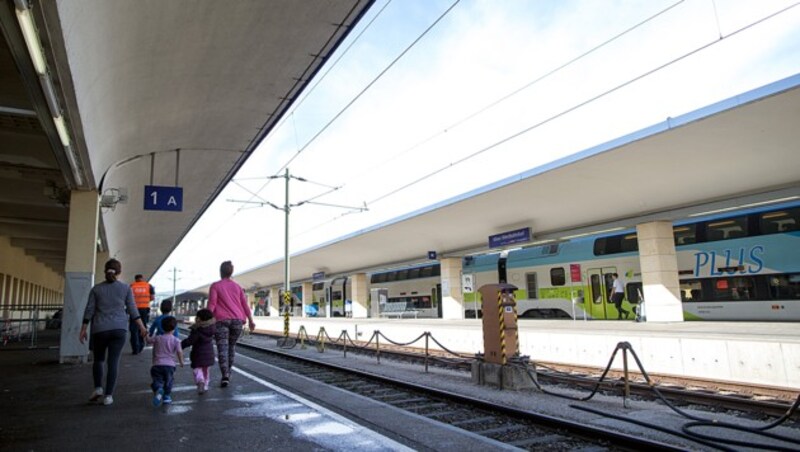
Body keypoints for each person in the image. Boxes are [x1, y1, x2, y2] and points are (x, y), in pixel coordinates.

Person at [79, 258, 147, 406]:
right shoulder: (125, 288)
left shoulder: (96, 289)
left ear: (105, 271)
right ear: (119, 272)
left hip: (100, 329)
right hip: (119, 329)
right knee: (113, 361)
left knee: (99, 360)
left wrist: (83, 329)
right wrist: (142, 327)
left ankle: (98, 388)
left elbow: (89, 310)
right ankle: (109, 396)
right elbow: (132, 310)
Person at [208, 260, 255, 387]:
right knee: (231, 346)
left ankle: (225, 375)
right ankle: (229, 371)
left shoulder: (215, 286)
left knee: (222, 348)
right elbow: (244, 305)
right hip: (237, 321)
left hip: (221, 321)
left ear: (220, 272)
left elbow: (212, 304)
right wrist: (251, 320)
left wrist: (205, 319)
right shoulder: (238, 287)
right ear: (231, 272)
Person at [148, 316, 183, 407]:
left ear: (162, 327)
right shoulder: (176, 340)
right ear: (174, 328)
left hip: (157, 365)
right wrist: (181, 362)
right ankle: (166, 397)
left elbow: (148, 340)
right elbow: (179, 352)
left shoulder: (158, 338)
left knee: (157, 380)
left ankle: (158, 388)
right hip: (170, 366)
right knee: (169, 381)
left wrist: (145, 334)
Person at [181, 308, 216, 394]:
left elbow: (190, 341)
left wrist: (180, 345)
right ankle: (205, 385)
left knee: (197, 369)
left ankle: (200, 381)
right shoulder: (212, 328)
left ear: (200, 319)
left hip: (198, 354)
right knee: (206, 370)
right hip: (209, 354)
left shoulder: (197, 330)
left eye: (197, 317)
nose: (195, 318)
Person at [129, 274, 155, 354]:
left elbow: (128, 298)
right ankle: (141, 345)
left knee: (133, 329)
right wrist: (146, 301)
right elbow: (152, 298)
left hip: (134, 309)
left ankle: (135, 348)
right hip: (144, 309)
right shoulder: (149, 286)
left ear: (135, 279)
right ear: (142, 279)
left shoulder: (131, 286)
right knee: (143, 327)